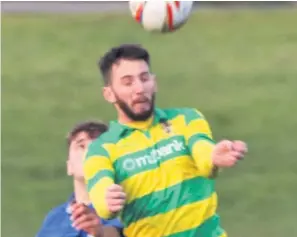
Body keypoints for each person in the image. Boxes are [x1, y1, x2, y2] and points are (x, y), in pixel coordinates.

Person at [83, 44, 248, 237]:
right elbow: (100, 193)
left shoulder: (186, 119)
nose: (139, 88)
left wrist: (213, 156)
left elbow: (202, 152)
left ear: (154, 82)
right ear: (109, 94)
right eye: (128, 82)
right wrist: (107, 201)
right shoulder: (101, 150)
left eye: (144, 78)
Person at [36, 121, 124, 237]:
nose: (89, 152)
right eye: (81, 146)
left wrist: (99, 233)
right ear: (69, 166)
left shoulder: (126, 209)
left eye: (98, 147)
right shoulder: (54, 218)